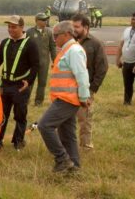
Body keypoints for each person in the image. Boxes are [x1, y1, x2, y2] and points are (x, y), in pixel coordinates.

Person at [38, 21, 90, 172]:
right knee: (67, 133)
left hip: (68, 99)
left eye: (56, 36)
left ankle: (62, 159)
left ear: (67, 34)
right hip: (64, 98)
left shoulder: (73, 51)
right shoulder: (67, 50)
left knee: (45, 126)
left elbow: (82, 75)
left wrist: (84, 97)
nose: (54, 39)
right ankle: (74, 167)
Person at [0, 15, 39, 151]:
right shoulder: (5, 42)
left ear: (22, 27)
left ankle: (18, 142)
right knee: (2, 115)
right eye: (9, 27)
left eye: (14, 27)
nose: (11, 30)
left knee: (20, 115)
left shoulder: (30, 43)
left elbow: (36, 65)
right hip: (5, 85)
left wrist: (29, 81)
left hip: (20, 87)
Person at [72, 14, 108, 149]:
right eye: (72, 26)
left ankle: (86, 147)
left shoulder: (95, 44)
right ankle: (67, 146)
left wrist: (92, 88)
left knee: (84, 120)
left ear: (85, 27)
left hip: (85, 90)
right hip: (69, 88)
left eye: (77, 26)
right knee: (66, 120)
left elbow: (102, 67)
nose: (74, 29)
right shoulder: (70, 42)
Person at [26, 12, 57, 106]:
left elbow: (52, 47)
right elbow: (24, 47)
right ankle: (26, 100)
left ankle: (38, 102)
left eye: (46, 19)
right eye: (43, 20)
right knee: (29, 82)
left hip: (44, 62)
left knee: (42, 83)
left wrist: (55, 60)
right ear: (37, 21)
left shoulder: (49, 32)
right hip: (31, 63)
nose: (45, 21)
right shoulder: (29, 32)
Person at [116, 12, 135, 105]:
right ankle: (127, 102)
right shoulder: (126, 30)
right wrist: (118, 59)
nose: (133, 21)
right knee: (127, 84)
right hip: (126, 63)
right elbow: (121, 45)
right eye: (132, 19)